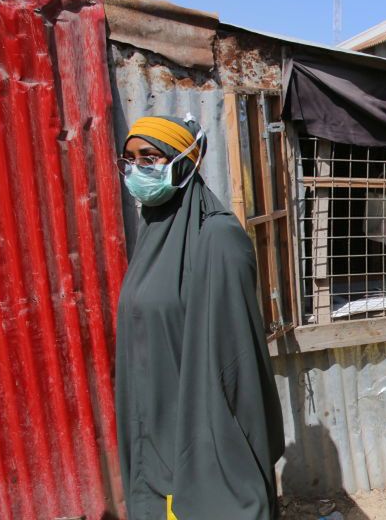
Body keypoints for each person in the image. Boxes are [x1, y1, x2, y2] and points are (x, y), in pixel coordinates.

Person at [114, 115, 285, 519]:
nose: (138, 170)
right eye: (130, 159)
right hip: (151, 436)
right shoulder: (155, 232)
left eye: (151, 158)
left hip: (198, 452)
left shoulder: (217, 239)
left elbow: (235, 369)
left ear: (184, 162)